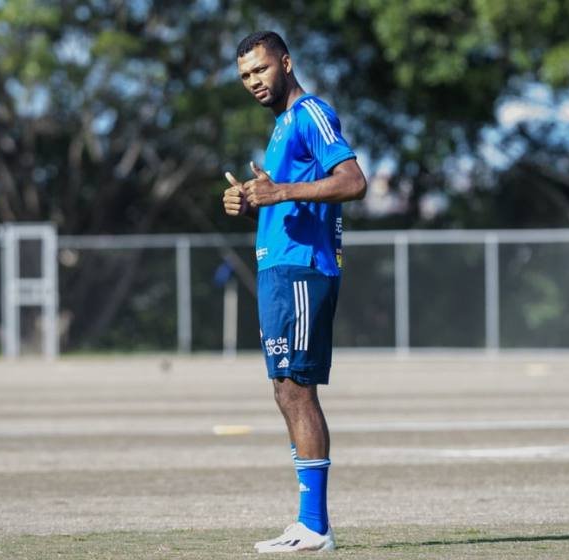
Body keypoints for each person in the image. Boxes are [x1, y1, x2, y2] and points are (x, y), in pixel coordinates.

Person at [222, 30, 366, 553]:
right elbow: (285, 200)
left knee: (298, 390)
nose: (253, 82)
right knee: (285, 390)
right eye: (244, 76)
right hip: (278, 271)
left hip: (305, 270)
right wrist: (247, 200)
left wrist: (279, 191)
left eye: (260, 69)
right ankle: (307, 521)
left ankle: (316, 526)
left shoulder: (311, 113)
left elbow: (353, 180)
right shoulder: (281, 128)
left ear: (285, 61)